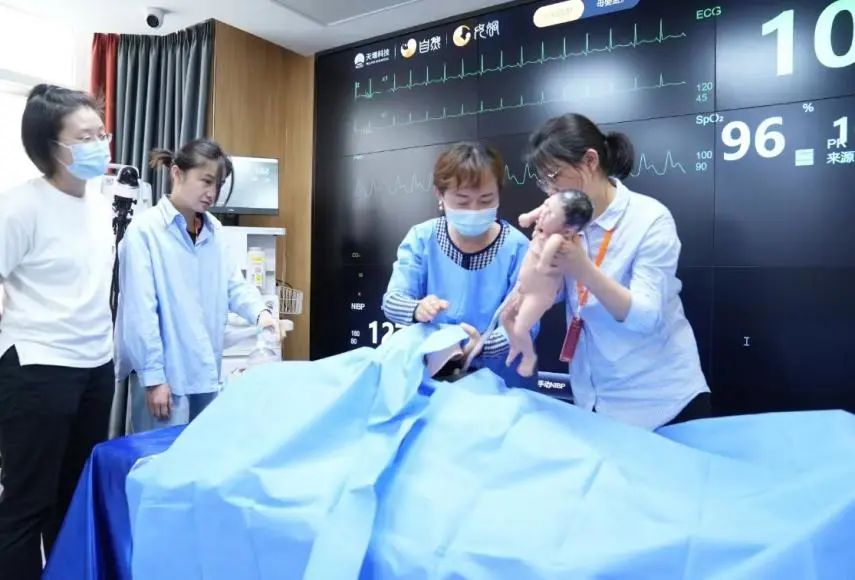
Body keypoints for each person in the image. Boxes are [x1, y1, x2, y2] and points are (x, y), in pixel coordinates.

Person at [523, 112, 710, 430]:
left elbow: (646, 317)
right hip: (594, 402)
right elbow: (552, 296)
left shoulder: (650, 219)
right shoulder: (566, 219)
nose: (549, 191)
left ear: (590, 161)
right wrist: (542, 260)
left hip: (661, 405)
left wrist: (583, 269)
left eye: (554, 175)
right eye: (543, 180)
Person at [0, 84, 116, 579]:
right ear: (50, 146)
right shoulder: (19, 206)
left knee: (74, 498)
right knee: (29, 502)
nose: (99, 144)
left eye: (101, 133)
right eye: (85, 137)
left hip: (95, 367)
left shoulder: (100, 203)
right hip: (38, 367)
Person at [115, 139, 279, 432]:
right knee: (159, 456)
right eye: (206, 181)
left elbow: (233, 284)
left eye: (218, 184)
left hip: (205, 372)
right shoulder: (145, 232)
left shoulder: (214, 231)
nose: (212, 193)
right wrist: (153, 378)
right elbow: (140, 313)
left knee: (202, 452)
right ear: (177, 173)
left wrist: (261, 313)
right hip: (166, 378)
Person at [382, 142, 536, 386]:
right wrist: (417, 309)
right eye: (462, 202)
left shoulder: (518, 248)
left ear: (498, 194)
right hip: (433, 377)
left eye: (486, 200)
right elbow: (392, 301)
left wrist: (483, 346)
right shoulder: (422, 238)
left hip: (501, 383)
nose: (474, 210)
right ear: (439, 195)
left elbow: (527, 322)